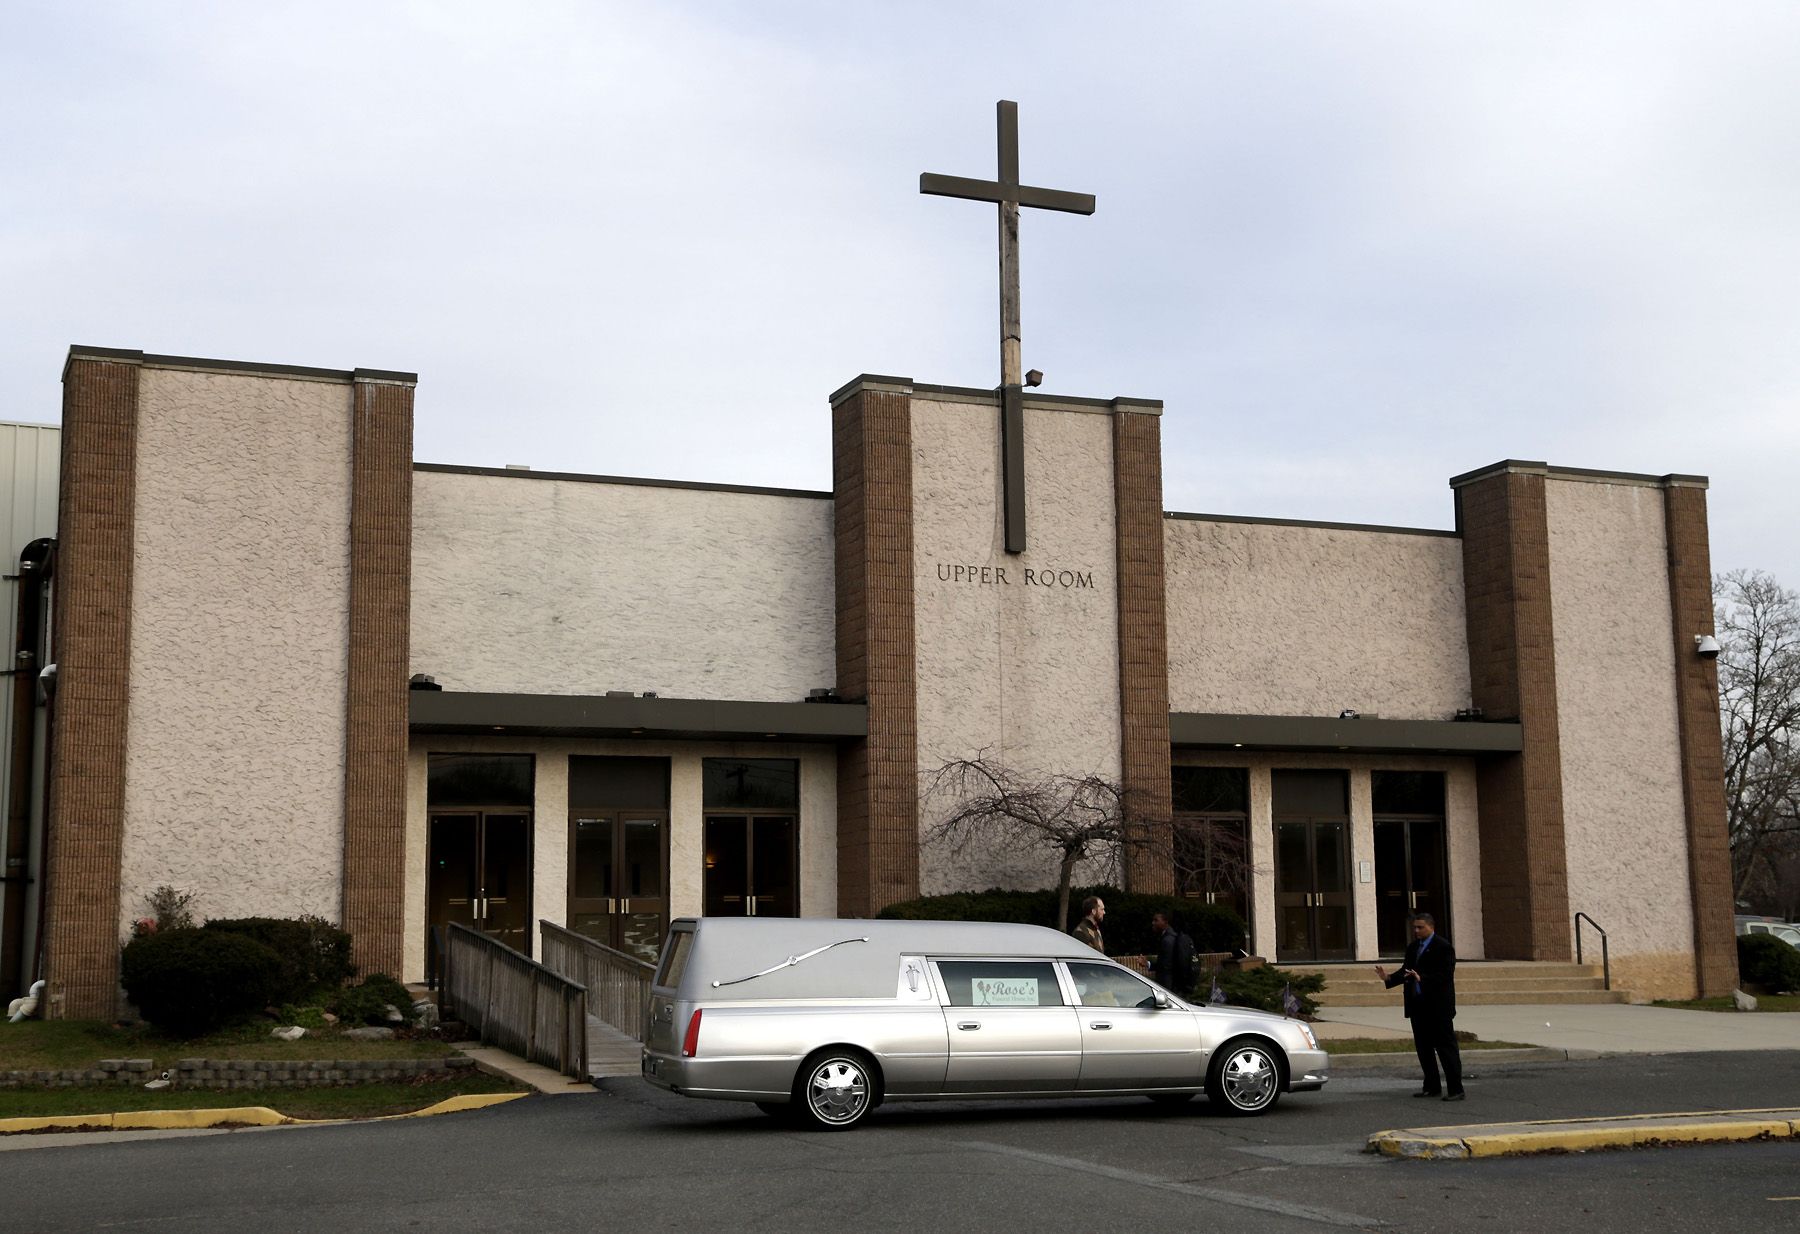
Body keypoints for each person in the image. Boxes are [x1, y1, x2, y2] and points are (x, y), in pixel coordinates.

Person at [1374, 913, 1463, 1101]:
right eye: (1414, 927)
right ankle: (1431, 1086)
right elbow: (1407, 971)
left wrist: (1423, 978)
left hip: (1438, 1007)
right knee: (1424, 1048)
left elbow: (1445, 974)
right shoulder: (1413, 947)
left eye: (1420, 927)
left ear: (1431, 927)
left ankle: (1456, 1089)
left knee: (1446, 1048)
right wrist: (1389, 978)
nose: (1416, 931)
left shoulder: (1443, 947)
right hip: (1418, 1005)